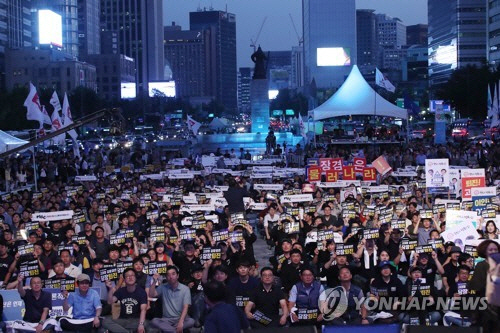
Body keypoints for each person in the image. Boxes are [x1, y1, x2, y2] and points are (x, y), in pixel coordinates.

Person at [148, 265, 195, 333]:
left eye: (173, 274)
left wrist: (181, 322)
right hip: (166, 320)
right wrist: (154, 281)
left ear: (177, 275)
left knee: (191, 321)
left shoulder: (185, 289)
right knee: (154, 321)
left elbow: (186, 307)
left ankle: (170, 330)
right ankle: (174, 331)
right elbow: (151, 294)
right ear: (166, 277)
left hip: (180, 318)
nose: (171, 277)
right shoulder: (163, 287)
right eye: (168, 275)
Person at [103, 268, 148, 333]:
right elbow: (110, 301)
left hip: (136, 321)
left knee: (146, 323)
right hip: (123, 320)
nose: (130, 277)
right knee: (105, 321)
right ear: (124, 279)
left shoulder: (142, 292)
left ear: (135, 278)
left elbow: (143, 310)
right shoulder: (121, 291)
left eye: (132, 275)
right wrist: (110, 289)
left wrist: (141, 325)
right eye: (127, 276)